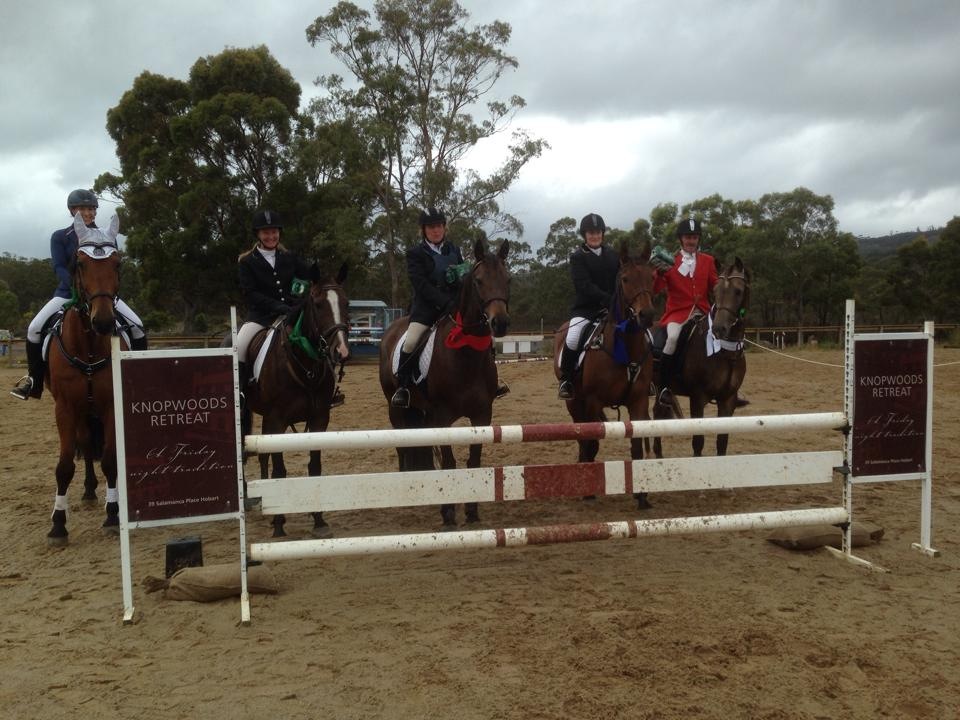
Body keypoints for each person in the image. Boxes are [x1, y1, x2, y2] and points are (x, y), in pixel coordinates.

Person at [11, 189, 147, 401]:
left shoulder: (107, 235)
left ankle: (139, 377)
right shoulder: (60, 236)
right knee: (34, 328)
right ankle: (34, 380)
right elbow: (58, 266)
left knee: (137, 327)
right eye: (82, 208)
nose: (88, 213)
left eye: (91, 209)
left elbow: (111, 267)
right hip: (68, 293)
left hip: (102, 296)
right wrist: (74, 287)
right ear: (72, 211)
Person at [236, 209, 342, 406]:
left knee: (319, 339)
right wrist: (277, 306)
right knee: (239, 347)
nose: (271, 236)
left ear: (279, 233)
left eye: (274, 232)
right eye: (266, 232)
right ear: (258, 235)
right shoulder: (247, 262)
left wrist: (324, 278)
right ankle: (241, 393)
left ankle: (328, 390)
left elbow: (309, 276)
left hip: (292, 314)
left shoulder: (289, 257)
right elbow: (250, 293)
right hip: (261, 317)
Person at [391, 207, 466, 408]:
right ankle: (403, 387)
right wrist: (444, 302)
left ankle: (491, 380)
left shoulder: (454, 250)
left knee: (481, 332)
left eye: (439, 225)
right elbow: (421, 285)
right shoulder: (415, 254)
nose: (436, 230)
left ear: (444, 227)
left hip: (453, 307)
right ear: (424, 230)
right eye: (431, 227)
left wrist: (460, 280)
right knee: (411, 341)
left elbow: (463, 277)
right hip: (427, 309)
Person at [651, 217, 719, 407]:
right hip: (678, 313)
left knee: (722, 336)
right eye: (688, 237)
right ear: (681, 239)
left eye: (694, 237)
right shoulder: (670, 260)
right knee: (673, 338)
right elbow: (656, 289)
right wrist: (659, 274)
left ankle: (726, 386)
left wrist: (726, 286)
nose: (691, 241)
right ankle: (664, 387)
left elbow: (715, 284)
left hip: (703, 312)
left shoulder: (708, 260)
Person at [557, 212, 619, 399]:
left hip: (613, 307)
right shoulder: (578, 257)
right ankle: (566, 379)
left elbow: (621, 278)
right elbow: (583, 285)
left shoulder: (612, 255)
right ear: (585, 235)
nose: (595, 236)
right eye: (591, 233)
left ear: (602, 233)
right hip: (586, 309)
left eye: (598, 232)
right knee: (573, 337)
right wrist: (606, 298)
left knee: (637, 330)